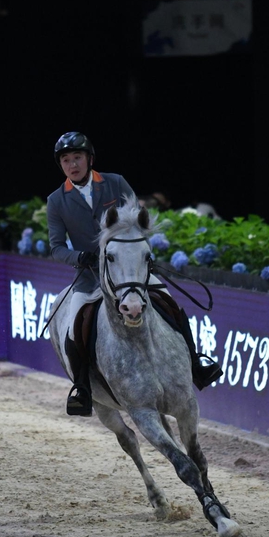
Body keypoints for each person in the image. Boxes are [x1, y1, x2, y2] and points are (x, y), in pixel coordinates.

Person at [46, 131, 222, 416]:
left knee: (171, 306)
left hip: (129, 273)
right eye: (66, 160)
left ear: (89, 159)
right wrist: (79, 256)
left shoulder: (115, 182)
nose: (72, 164)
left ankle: (195, 362)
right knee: (73, 328)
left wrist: (136, 250)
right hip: (91, 276)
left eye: (77, 158)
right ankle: (82, 387)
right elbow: (55, 247)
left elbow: (139, 221)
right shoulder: (57, 200)